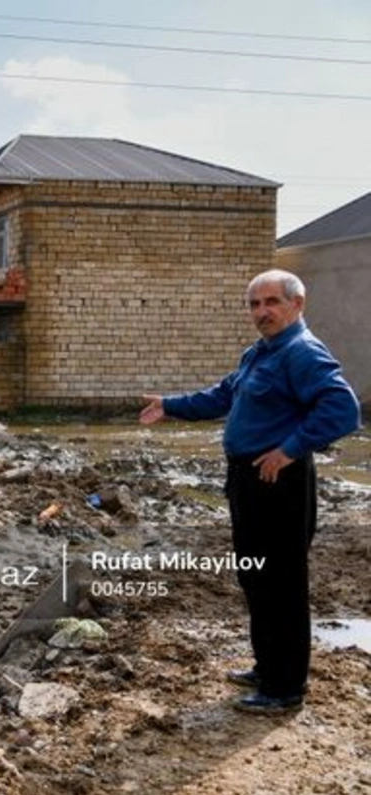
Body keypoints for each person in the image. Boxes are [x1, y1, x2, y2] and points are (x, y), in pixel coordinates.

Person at [139, 269, 360, 714]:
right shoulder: (259, 354)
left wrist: (290, 450)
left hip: (280, 483)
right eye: (255, 304)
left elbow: (343, 409)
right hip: (248, 481)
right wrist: (170, 406)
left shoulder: (302, 352)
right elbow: (221, 397)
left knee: (282, 584)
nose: (263, 312)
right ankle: (267, 666)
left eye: (272, 302)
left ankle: (284, 688)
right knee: (255, 575)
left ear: (297, 305)